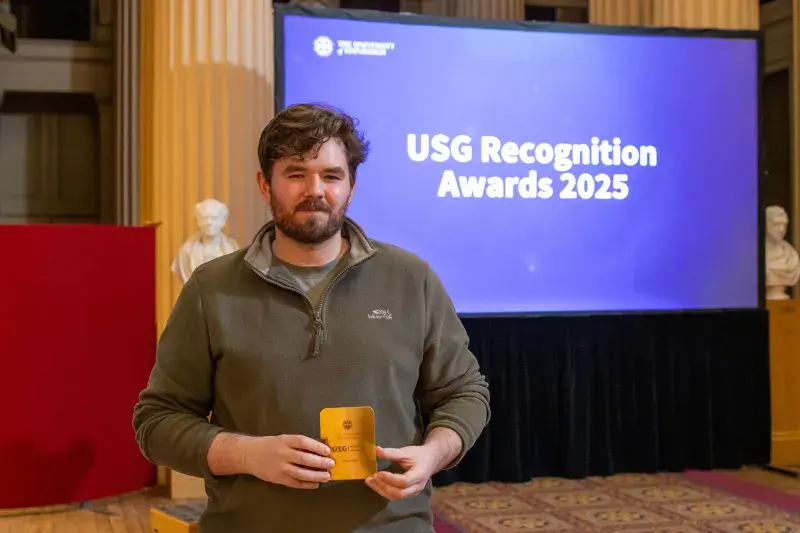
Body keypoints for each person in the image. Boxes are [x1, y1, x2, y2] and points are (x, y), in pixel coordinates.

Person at [132, 103, 491, 532]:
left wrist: (433, 453)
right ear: (265, 184)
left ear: (351, 187)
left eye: (332, 176)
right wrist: (248, 454)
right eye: (296, 173)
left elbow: (465, 392)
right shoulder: (212, 289)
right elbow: (156, 422)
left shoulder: (411, 279)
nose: (315, 189)